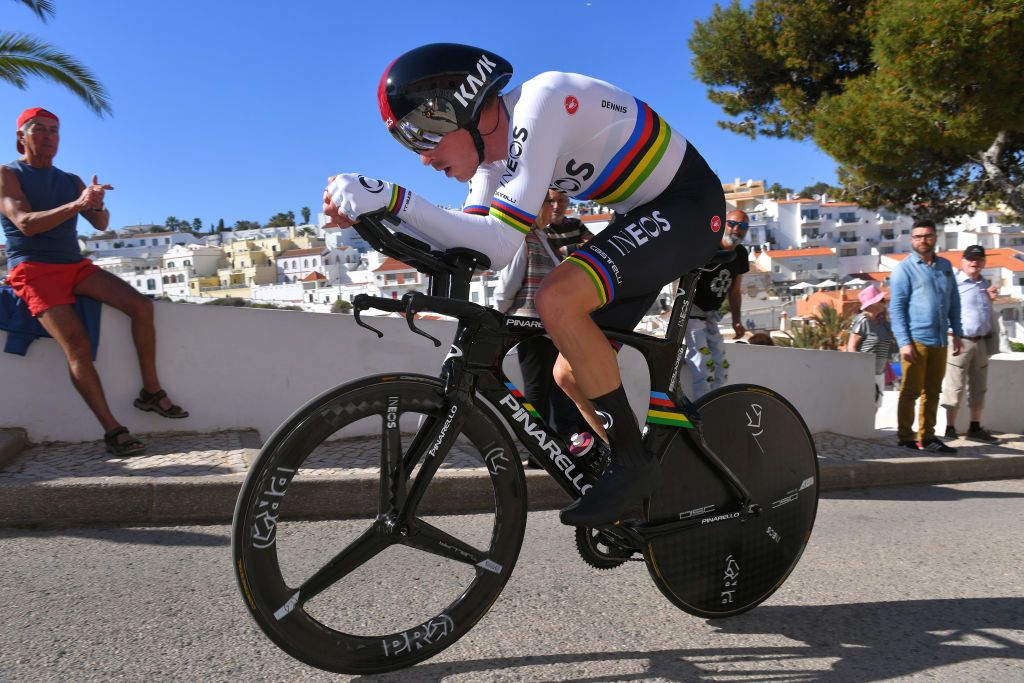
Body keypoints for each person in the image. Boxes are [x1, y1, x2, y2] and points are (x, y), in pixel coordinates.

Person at [322, 43, 726, 525]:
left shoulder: (542, 101)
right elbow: (473, 245)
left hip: (688, 206)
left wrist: (393, 197)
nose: (424, 158)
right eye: (410, 144)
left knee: (556, 297)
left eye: (423, 135)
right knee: (570, 374)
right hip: (641, 215)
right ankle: (649, 476)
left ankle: (631, 466)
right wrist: (374, 217)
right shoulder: (494, 165)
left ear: (462, 107)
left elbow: (495, 242)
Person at [0, 107, 187, 457]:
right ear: (19, 138)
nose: (47, 136)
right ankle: (113, 430)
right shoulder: (7, 174)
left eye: (54, 130)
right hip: (33, 269)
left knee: (141, 306)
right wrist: (78, 204)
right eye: (38, 129)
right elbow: (25, 222)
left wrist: (97, 203)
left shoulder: (69, 179)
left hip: (73, 264)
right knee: (79, 347)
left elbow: (100, 223)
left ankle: (150, 392)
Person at [493, 191, 583, 461]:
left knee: (552, 388)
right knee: (537, 390)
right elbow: (508, 284)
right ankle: (537, 449)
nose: (554, 208)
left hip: (547, 329)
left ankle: (554, 447)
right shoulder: (525, 240)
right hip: (531, 327)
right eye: (548, 203)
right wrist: (500, 316)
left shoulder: (542, 239)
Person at [889, 219, 963, 452]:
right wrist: (904, 342)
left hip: (940, 340)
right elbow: (897, 308)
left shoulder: (945, 266)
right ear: (912, 240)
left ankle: (928, 437)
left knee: (933, 392)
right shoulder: (904, 269)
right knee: (910, 390)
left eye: (927, 236)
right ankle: (905, 436)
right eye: (918, 236)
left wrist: (958, 334)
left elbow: (954, 304)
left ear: (935, 238)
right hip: (916, 340)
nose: (923, 240)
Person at [682, 209, 749, 400]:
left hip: (711, 315)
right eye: (733, 223)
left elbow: (735, 291)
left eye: (743, 226)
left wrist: (737, 320)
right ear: (724, 223)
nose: (737, 229)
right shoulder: (708, 246)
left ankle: (715, 406)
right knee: (704, 366)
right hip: (691, 313)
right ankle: (702, 412)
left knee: (721, 367)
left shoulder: (741, 254)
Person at [941, 245, 999, 443]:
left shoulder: (984, 284)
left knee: (979, 386)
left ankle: (975, 427)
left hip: (980, 341)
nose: (975, 262)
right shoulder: (954, 283)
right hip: (959, 340)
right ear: (962, 261)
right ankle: (949, 428)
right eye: (971, 259)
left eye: (979, 259)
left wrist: (990, 300)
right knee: (954, 385)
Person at [846, 285, 894, 410]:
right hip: (865, 372)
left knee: (876, 404)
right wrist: (859, 368)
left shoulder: (884, 322)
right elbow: (851, 346)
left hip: (879, 371)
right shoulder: (863, 320)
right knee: (864, 405)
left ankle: (869, 429)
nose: (884, 303)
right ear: (872, 304)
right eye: (881, 300)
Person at [544, 190, 594, 257]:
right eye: (551, 201)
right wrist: (578, 246)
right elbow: (549, 256)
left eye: (561, 200)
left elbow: (593, 243)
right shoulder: (541, 229)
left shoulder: (577, 224)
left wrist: (563, 250)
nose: (556, 206)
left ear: (567, 202)